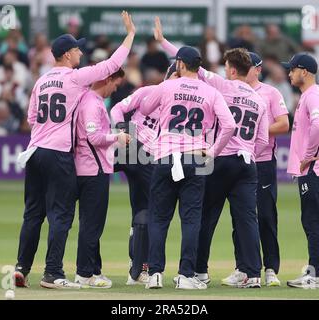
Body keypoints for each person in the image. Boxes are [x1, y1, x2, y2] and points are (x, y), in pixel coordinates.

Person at [13, 11, 136, 289]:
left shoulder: (41, 81)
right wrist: (130, 35)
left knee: (33, 214)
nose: (80, 52)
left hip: (34, 151)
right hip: (58, 153)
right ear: (67, 54)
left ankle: (21, 267)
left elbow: (32, 118)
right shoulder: (75, 78)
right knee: (61, 215)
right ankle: (53, 273)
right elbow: (111, 65)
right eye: (77, 48)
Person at [155, 16, 269, 288]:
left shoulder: (223, 86)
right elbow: (263, 140)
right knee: (247, 220)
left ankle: (198, 271)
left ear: (231, 69)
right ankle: (253, 274)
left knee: (203, 215)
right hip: (247, 162)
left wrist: (163, 42)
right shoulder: (259, 99)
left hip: (221, 158)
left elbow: (193, 67)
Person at [140, 45, 235, 290]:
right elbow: (230, 126)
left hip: (165, 156)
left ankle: (155, 274)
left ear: (180, 64)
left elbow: (144, 108)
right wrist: (213, 151)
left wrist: (168, 86)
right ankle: (185, 275)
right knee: (191, 220)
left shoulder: (168, 85)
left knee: (159, 218)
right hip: (195, 158)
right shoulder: (210, 91)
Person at [110, 63, 178, 286]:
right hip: (141, 154)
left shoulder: (154, 93)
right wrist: (124, 132)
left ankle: (135, 267)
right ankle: (140, 269)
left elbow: (117, 109)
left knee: (140, 210)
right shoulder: (150, 92)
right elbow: (117, 109)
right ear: (171, 76)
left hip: (138, 154)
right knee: (150, 211)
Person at [282, 53, 319, 289]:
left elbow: (318, 126)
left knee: (312, 220)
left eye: (292, 69)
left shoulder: (313, 96)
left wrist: (307, 157)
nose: (289, 73)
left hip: (314, 168)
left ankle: (314, 274)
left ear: (304, 71)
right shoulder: (313, 95)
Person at [73, 69, 130, 289]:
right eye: (115, 84)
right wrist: (118, 137)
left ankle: (93, 270)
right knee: (92, 224)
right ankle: (85, 273)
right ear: (107, 80)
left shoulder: (88, 100)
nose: (115, 89)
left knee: (91, 223)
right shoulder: (92, 103)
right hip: (93, 170)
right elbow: (94, 137)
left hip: (90, 168)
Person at [246, 52, 289, 286]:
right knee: (241, 217)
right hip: (240, 158)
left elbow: (284, 124)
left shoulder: (271, 92)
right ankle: (243, 267)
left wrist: (258, 131)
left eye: (251, 67)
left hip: (262, 161)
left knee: (265, 214)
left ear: (258, 69)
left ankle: (271, 268)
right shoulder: (232, 91)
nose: (247, 71)